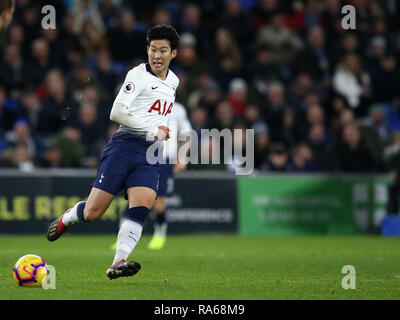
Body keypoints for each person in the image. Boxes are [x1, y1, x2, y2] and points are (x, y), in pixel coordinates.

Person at [46, 25, 180, 280]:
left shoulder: (174, 81)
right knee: (92, 213)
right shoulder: (137, 75)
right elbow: (116, 113)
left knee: (142, 204)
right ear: (147, 50)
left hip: (150, 152)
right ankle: (69, 217)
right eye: (153, 49)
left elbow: (156, 112)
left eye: (163, 50)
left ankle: (118, 261)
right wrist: (153, 128)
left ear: (174, 53)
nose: (157, 55)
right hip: (123, 146)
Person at [112, 101, 192, 251]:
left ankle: (160, 235)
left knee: (158, 203)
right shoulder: (143, 102)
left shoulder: (177, 109)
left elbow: (187, 133)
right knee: (132, 199)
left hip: (164, 158)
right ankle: (121, 238)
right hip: (141, 155)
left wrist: (182, 157)